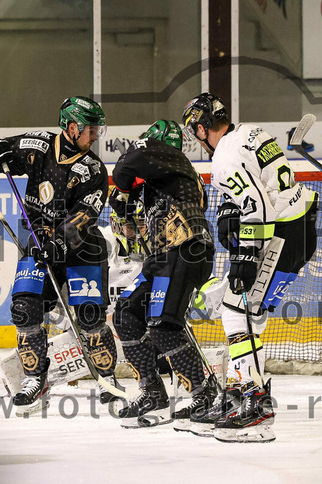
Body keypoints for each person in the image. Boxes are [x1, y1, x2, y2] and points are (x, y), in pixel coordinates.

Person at [181, 93, 318, 442]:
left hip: (281, 231)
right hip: (299, 226)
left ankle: (256, 405)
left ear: (201, 129)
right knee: (250, 315)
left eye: (194, 130)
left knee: (235, 311)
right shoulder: (251, 132)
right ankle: (238, 393)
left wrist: (245, 255)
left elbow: (257, 203)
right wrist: (231, 208)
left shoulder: (224, 155)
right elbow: (259, 186)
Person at [0, 96, 116, 416]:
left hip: (83, 248)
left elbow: (85, 216)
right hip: (38, 241)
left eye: (97, 129)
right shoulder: (39, 145)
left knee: (89, 315)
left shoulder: (94, 170)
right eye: (90, 129)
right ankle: (35, 379)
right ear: (71, 127)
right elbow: (2, 150)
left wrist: (58, 243)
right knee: (25, 309)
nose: (95, 136)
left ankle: (106, 377)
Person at [110, 119, 217, 428]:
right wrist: (127, 201)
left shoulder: (171, 157)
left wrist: (124, 189)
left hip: (185, 250)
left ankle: (203, 393)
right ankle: (152, 392)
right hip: (163, 255)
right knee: (125, 314)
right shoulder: (169, 172)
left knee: (163, 326)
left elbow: (124, 167)